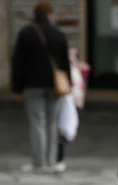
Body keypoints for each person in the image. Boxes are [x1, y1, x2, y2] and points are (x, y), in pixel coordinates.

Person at [11, 0, 71, 173]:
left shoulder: (26, 33)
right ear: (50, 15)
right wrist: (69, 86)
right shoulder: (59, 34)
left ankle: (39, 163)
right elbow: (64, 63)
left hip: (32, 85)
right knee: (52, 124)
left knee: (37, 123)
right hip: (55, 86)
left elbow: (18, 63)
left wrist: (17, 88)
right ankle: (51, 162)